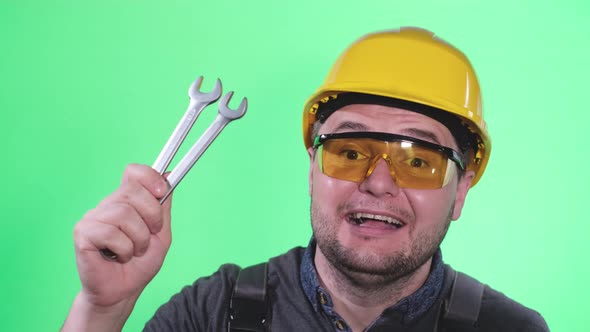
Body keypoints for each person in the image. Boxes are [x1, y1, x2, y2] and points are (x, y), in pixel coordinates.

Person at [62, 27, 549, 332]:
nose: (378, 182)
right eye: (351, 151)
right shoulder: (214, 312)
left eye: (419, 161)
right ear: (312, 168)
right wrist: (102, 309)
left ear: (460, 190)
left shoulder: (511, 329)